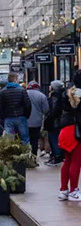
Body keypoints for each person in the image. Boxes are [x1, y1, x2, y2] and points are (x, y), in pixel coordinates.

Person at [58, 71, 81, 201]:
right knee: (76, 162)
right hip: (77, 131)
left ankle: (63, 190)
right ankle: (73, 191)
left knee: (68, 161)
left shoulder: (68, 94)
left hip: (65, 130)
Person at [0, 73, 31, 144]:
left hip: (8, 118)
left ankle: (10, 154)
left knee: (9, 140)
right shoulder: (22, 90)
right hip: (21, 117)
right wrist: (26, 115)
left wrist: (3, 117)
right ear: (15, 80)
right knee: (25, 139)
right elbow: (28, 105)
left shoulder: (2, 92)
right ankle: (26, 153)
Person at [44, 80, 65, 166]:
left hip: (54, 123)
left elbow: (53, 110)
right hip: (59, 122)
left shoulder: (54, 96)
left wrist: (48, 116)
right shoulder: (61, 95)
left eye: (50, 85)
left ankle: (56, 157)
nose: (49, 87)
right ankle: (57, 156)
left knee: (54, 140)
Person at [26, 81, 49, 157]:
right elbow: (46, 110)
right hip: (37, 122)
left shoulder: (23, 94)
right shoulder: (42, 96)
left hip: (24, 121)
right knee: (35, 140)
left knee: (25, 140)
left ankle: (26, 156)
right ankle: (34, 157)